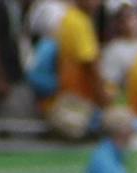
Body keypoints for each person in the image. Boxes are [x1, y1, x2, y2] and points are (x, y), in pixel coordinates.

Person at [45, 0, 106, 139]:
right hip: (77, 105)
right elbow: (89, 65)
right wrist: (103, 98)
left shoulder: (71, 18)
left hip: (72, 102)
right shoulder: (78, 21)